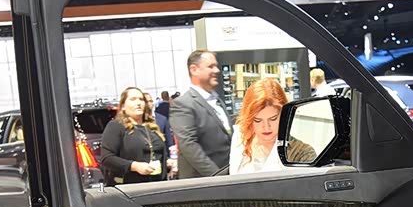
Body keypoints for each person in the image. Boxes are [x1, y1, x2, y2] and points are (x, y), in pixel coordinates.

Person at [230, 78, 315, 174]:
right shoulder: (239, 140)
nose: (266, 127)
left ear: (284, 115)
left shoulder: (301, 153)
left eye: (273, 119)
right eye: (258, 120)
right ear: (248, 119)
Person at [170, 50, 233, 178]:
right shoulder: (183, 104)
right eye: (211, 66)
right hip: (204, 180)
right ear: (194, 70)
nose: (217, 70)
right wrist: (216, 177)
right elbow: (189, 145)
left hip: (228, 176)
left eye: (216, 66)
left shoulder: (217, 100)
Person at [100, 86, 169, 185]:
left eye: (141, 99)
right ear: (123, 106)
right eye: (133, 99)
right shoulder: (116, 126)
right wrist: (134, 166)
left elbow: (156, 154)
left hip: (157, 185)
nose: (138, 103)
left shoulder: (152, 127)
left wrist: (168, 162)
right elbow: (107, 158)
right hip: (130, 186)